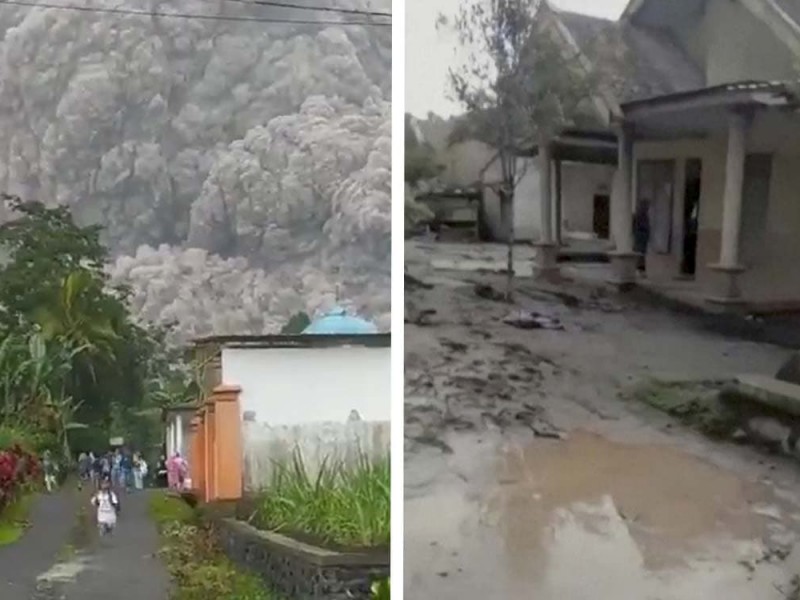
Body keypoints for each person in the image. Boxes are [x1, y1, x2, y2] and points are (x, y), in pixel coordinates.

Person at [633, 199, 651, 276]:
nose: (648, 208)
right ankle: (639, 270)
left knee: (641, 254)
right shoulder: (640, 215)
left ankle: (640, 270)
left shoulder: (644, 215)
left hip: (642, 236)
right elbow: (638, 226)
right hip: (640, 235)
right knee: (640, 254)